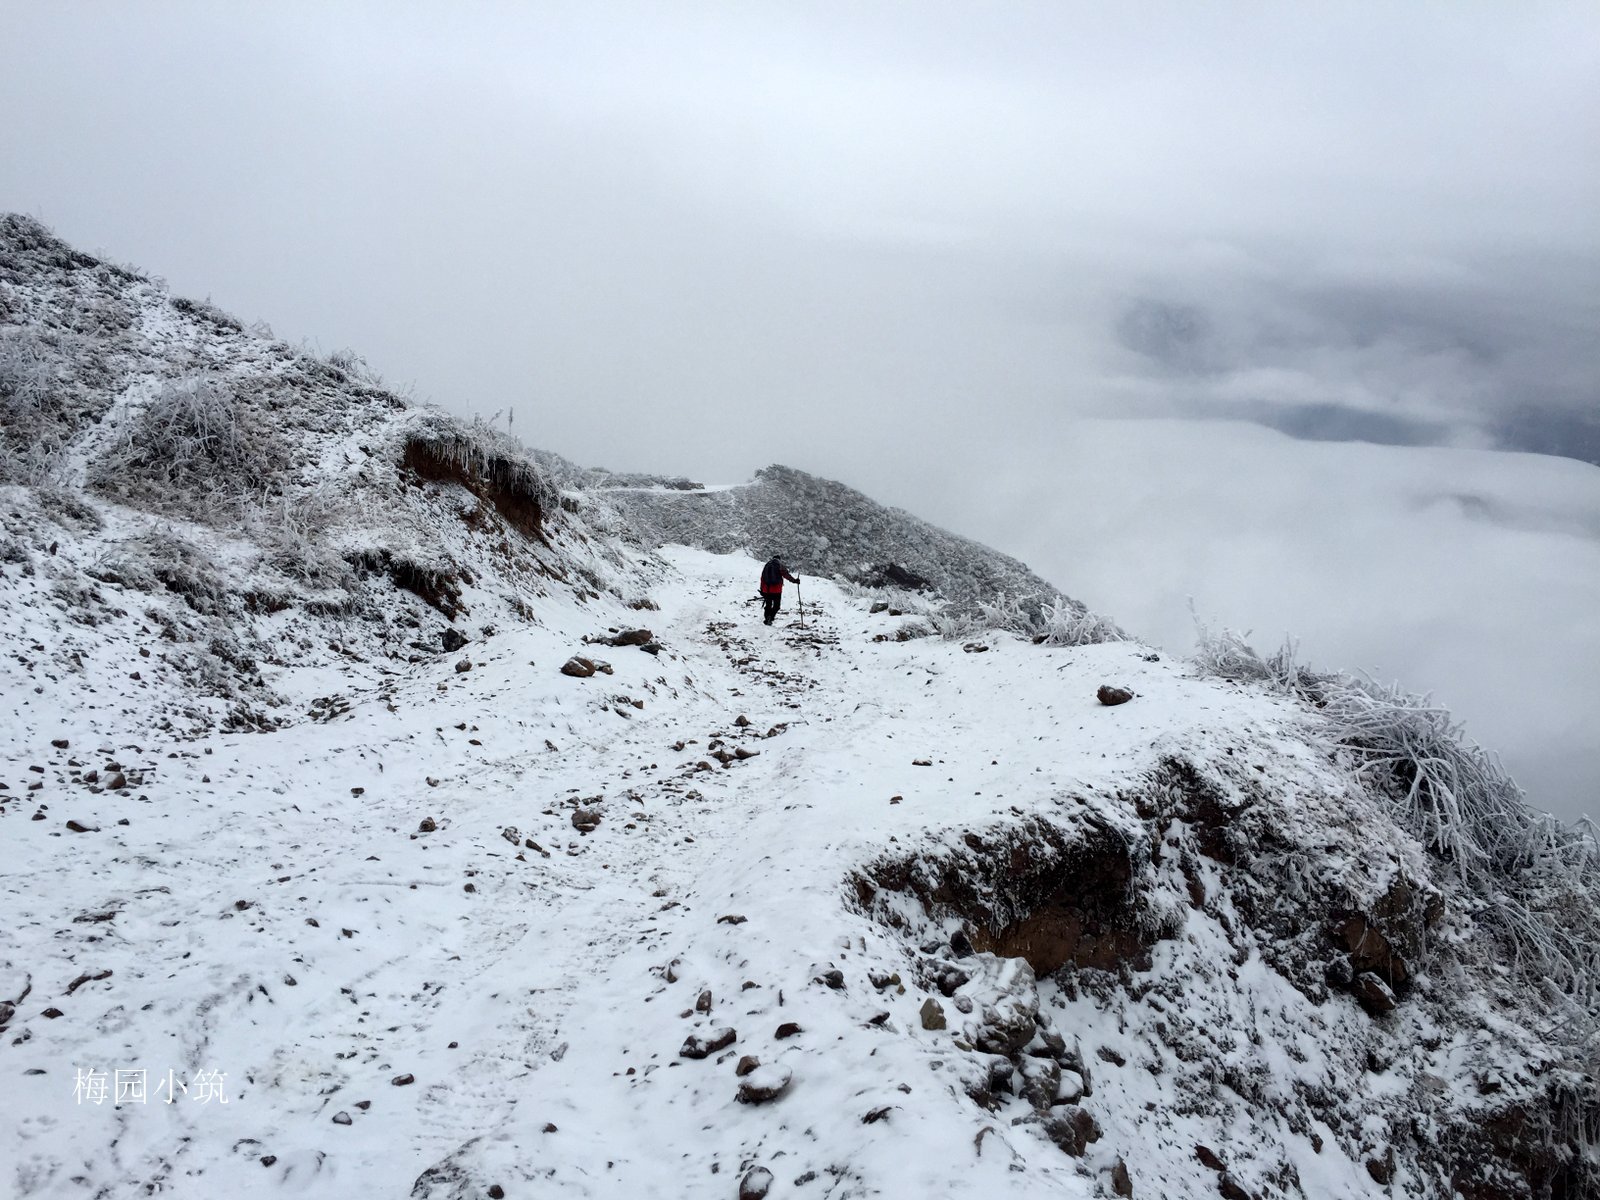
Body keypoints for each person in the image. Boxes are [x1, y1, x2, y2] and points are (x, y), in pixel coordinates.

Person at [758, 556, 800, 626]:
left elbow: (762, 578)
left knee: (768, 605)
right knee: (776, 606)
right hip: (776, 590)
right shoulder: (780, 565)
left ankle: (767, 618)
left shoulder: (767, 565)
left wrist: (762, 589)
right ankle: (770, 617)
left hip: (767, 590)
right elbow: (786, 575)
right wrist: (794, 581)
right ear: (779, 559)